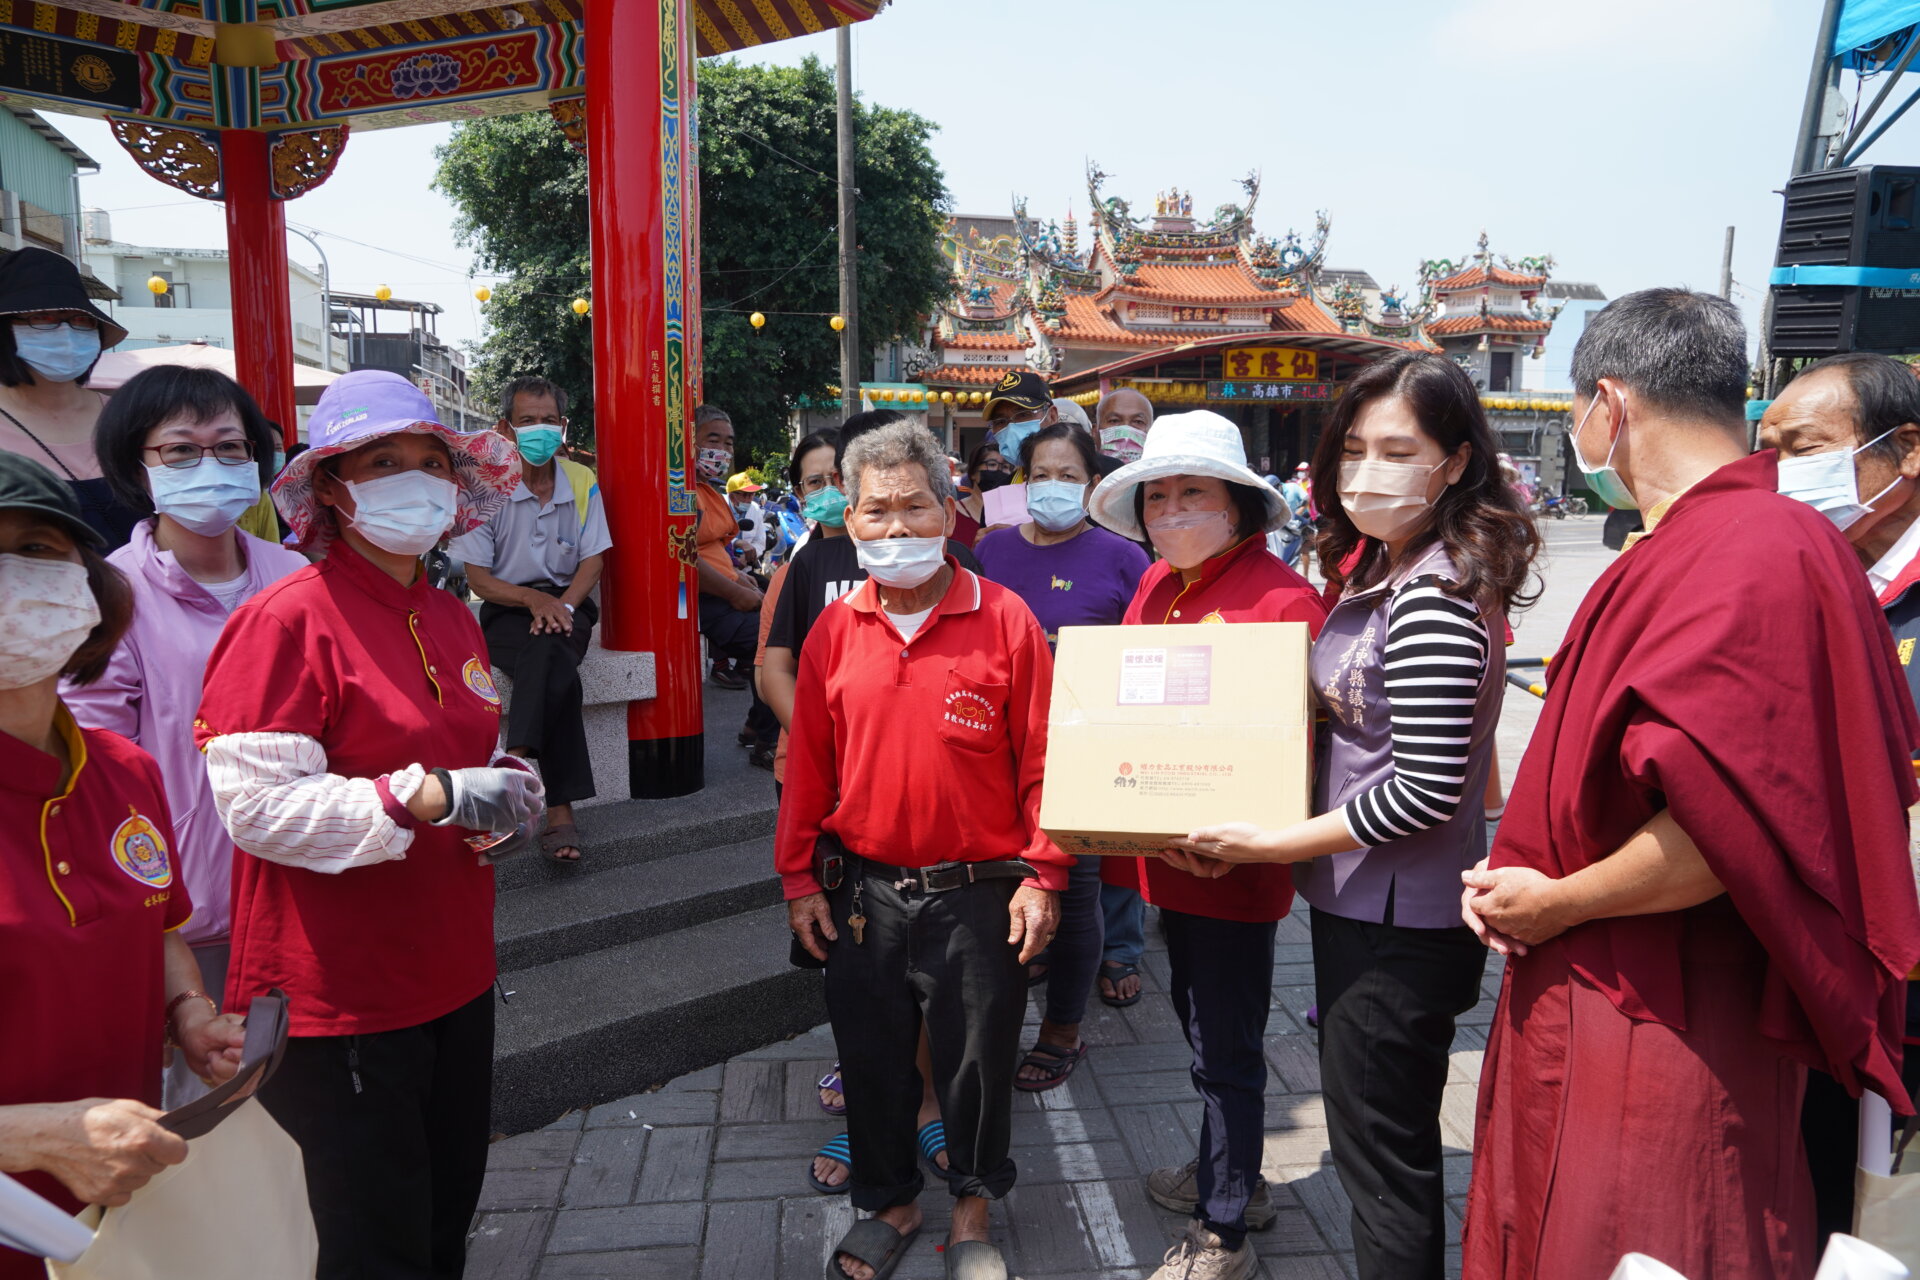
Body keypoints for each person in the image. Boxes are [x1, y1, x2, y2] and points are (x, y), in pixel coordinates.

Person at [1458, 290, 1920, 1279]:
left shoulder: (1752, 549)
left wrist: (1556, 897)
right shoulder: (1709, 540)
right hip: (1610, 979)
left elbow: (1734, 822)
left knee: (1654, 1240)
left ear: (1607, 408)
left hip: (1663, 1010)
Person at [1157, 354, 1540, 1280]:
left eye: (1398, 449)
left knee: (1381, 1162)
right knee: (1378, 1144)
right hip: (1367, 906)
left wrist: (1273, 841)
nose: (1367, 470)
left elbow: (1424, 790)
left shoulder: (1434, 594)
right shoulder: (1398, 568)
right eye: (1354, 448)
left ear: (1454, 462)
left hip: (1396, 921)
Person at [194, 370, 546, 1279]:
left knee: (441, 1218)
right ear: (335, 488)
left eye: (433, 461)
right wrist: (419, 797)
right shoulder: (285, 621)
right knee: (369, 1243)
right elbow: (257, 809)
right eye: (385, 460)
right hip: (340, 992)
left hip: (455, 966)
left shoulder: (448, 617)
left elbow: (463, 754)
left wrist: (497, 793)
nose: (416, 479)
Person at [779, 418, 1066, 1280]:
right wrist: (799, 878)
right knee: (870, 1058)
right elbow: (810, 769)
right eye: (876, 511)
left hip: (984, 889)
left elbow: (1048, 761)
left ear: (949, 510)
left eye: (914, 506)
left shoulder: (1006, 618)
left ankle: (972, 1209)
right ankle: (893, 1202)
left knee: (977, 1062)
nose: (895, 528)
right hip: (864, 891)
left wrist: (1044, 874)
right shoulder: (837, 630)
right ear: (849, 520)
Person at [1083, 411, 1327, 1280]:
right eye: (1158, 496)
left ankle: (1224, 1227)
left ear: (1238, 506)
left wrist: (1250, 835)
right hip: (1167, 863)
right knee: (1198, 1026)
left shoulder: (1284, 599)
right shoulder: (1154, 587)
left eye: (1193, 493)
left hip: (1234, 872)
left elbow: (1298, 749)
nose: (1172, 509)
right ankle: (1236, 1170)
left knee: (1224, 1042)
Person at [0, 454, 247, 1280]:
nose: (12, 578)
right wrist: (34, 1136)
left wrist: (188, 1009)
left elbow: (159, 923)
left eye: (36, 549)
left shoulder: (124, 771)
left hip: (123, 1217)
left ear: (89, 590)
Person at [60, 366, 306, 1108]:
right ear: (138, 465)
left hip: (302, 892)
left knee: (303, 1126)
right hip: (185, 917)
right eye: (181, 450)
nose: (212, 466)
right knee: (202, 1120)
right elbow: (92, 767)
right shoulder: (113, 593)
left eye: (231, 448)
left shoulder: (293, 575)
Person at [1758, 351, 1920, 1244]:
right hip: (1823, 985)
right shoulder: (1808, 580)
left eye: (1808, 446)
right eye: (1770, 448)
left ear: (1909, 454)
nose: (1783, 471)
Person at [975, 422, 1150, 1090]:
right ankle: (994, 1022)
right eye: (1040, 474)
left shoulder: (1122, 557)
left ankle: (1062, 1029)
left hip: (1085, 753)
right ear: (1022, 482)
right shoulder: (991, 553)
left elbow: (1144, 656)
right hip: (994, 753)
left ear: (1093, 483)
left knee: (1077, 900)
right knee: (1000, 896)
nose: (1052, 487)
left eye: (1068, 475)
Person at [451, 375, 611, 865]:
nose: (538, 429)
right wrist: (531, 601)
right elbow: (478, 577)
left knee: (549, 648)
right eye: (527, 421)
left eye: (548, 421)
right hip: (507, 607)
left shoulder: (581, 480)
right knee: (555, 666)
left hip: (569, 602)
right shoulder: (484, 486)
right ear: (505, 427)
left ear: (562, 427)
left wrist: (560, 605)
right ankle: (559, 811)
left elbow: (593, 561)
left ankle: (514, 764)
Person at [0, 247, 135, 548]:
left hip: (137, 593)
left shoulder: (131, 418)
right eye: (43, 317)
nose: (66, 332)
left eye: (81, 320)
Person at [982, 369, 1058, 475]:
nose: (1011, 429)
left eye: (1023, 415)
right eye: (1000, 421)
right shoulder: (1003, 488)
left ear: (1052, 416)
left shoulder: (1082, 483)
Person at [954, 442, 1012, 547]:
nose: (999, 470)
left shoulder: (1018, 514)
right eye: (992, 464)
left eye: (1005, 466)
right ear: (973, 473)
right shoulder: (951, 514)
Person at [727, 470, 773, 571]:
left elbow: (760, 542)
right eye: (745, 495)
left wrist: (746, 557)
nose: (749, 499)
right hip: (722, 567)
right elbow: (715, 537)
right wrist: (737, 542)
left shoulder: (755, 509)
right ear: (731, 496)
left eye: (751, 494)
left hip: (745, 569)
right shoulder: (718, 507)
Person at [1096, 387, 1153, 465]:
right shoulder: (1081, 474)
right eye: (1114, 421)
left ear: (1153, 431)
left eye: (1138, 421)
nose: (1126, 432)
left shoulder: (1165, 475)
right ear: (1094, 433)